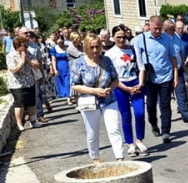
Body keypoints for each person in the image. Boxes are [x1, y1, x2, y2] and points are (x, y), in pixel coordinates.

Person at [72, 32, 125, 164]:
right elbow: (75, 86)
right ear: (86, 47)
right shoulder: (79, 63)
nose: (95, 50)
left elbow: (115, 79)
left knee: (114, 128)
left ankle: (120, 158)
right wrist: (94, 90)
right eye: (92, 47)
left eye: (97, 47)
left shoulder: (106, 60)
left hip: (108, 100)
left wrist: (109, 89)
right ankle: (95, 158)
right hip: (89, 101)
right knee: (92, 132)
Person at [132, 16, 181, 144]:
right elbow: (137, 59)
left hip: (166, 76)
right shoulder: (141, 39)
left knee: (165, 104)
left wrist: (175, 75)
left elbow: (173, 58)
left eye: (159, 29)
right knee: (151, 105)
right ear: (150, 26)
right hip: (150, 78)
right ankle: (153, 123)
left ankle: (166, 132)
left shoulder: (168, 39)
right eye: (155, 29)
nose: (157, 31)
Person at [106, 26, 148, 157]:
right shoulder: (109, 54)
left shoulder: (133, 49)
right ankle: (130, 144)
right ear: (113, 37)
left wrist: (140, 84)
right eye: (118, 37)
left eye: (124, 37)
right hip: (120, 86)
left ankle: (139, 140)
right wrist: (125, 88)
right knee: (126, 116)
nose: (121, 39)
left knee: (140, 113)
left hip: (136, 83)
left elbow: (141, 68)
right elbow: (112, 76)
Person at [6, 35, 39, 131]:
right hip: (17, 84)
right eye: (24, 45)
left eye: (27, 45)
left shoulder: (28, 53)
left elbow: (37, 64)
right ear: (18, 46)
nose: (26, 47)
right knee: (19, 103)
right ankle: (19, 124)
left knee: (31, 102)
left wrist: (28, 60)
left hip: (29, 81)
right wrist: (22, 61)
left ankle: (33, 121)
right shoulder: (10, 56)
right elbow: (14, 70)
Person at [51, 34, 72, 99]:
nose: (61, 43)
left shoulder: (67, 47)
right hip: (59, 67)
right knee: (61, 82)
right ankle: (64, 95)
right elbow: (53, 59)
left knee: (68, 81)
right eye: (59, 42)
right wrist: (55, 69)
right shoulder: (54, 49)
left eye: (62, 42)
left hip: (68, 66)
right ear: (56, 41)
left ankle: (69, 97)